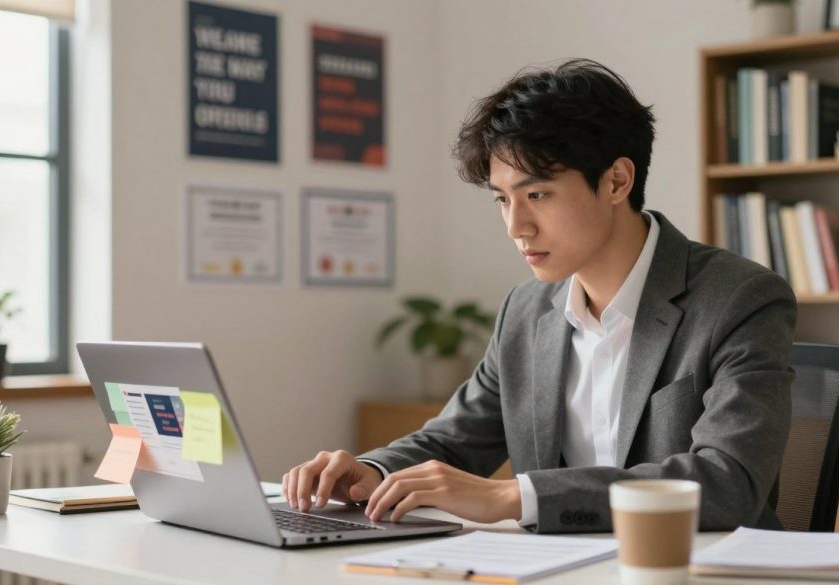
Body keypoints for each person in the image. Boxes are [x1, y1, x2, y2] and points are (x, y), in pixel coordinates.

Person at [283, 58, 797, 533]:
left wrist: (517, 496)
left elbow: (728, 482)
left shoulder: (740, 298)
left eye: (537, 195)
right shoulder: (525, 311)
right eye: (502, 200)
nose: (515, 226)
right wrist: (370, 469)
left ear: (617, 181)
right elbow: (454, 442)